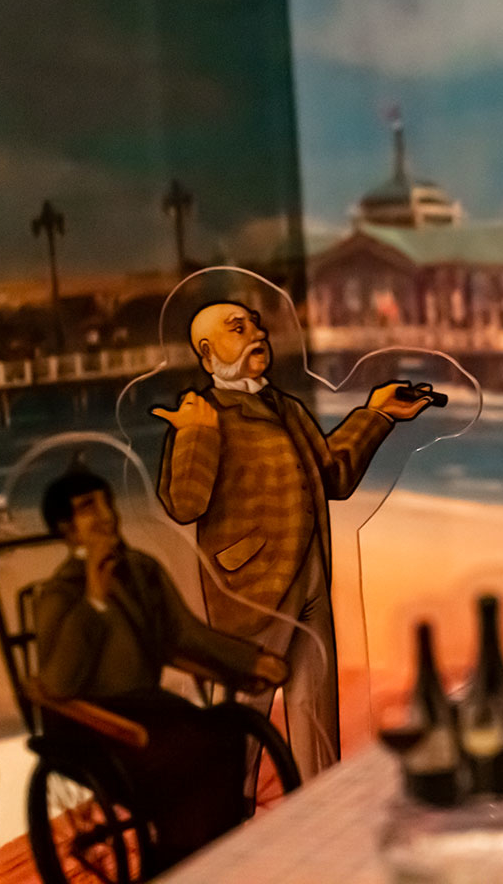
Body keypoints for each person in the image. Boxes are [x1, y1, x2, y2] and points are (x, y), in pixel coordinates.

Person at [152, 301, 430, 778]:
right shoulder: (204, 415)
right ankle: (225, 813)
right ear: (207, 352)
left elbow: (333, 475)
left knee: (315, 713)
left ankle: (323, 807)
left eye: (256, 325)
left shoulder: (287, 407)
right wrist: (196, 435)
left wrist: (377, 414)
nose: (256, 334)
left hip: (311, 580)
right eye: (238, 328)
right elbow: (184, 504)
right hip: (250, 588)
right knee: (243, 717)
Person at [33, 468, 289, 870]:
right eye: (88, 508)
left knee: (225, 734)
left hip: (147, 706)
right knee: (185, 753)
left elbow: (186, 634)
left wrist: (250, 660)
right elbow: (59, 683)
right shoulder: (59, 593)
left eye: (106, 502)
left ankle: (210, 852)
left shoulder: (142, 570)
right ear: (67, 529)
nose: (105, 515)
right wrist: (95, 599)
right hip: (87, 722)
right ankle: (174, 862)